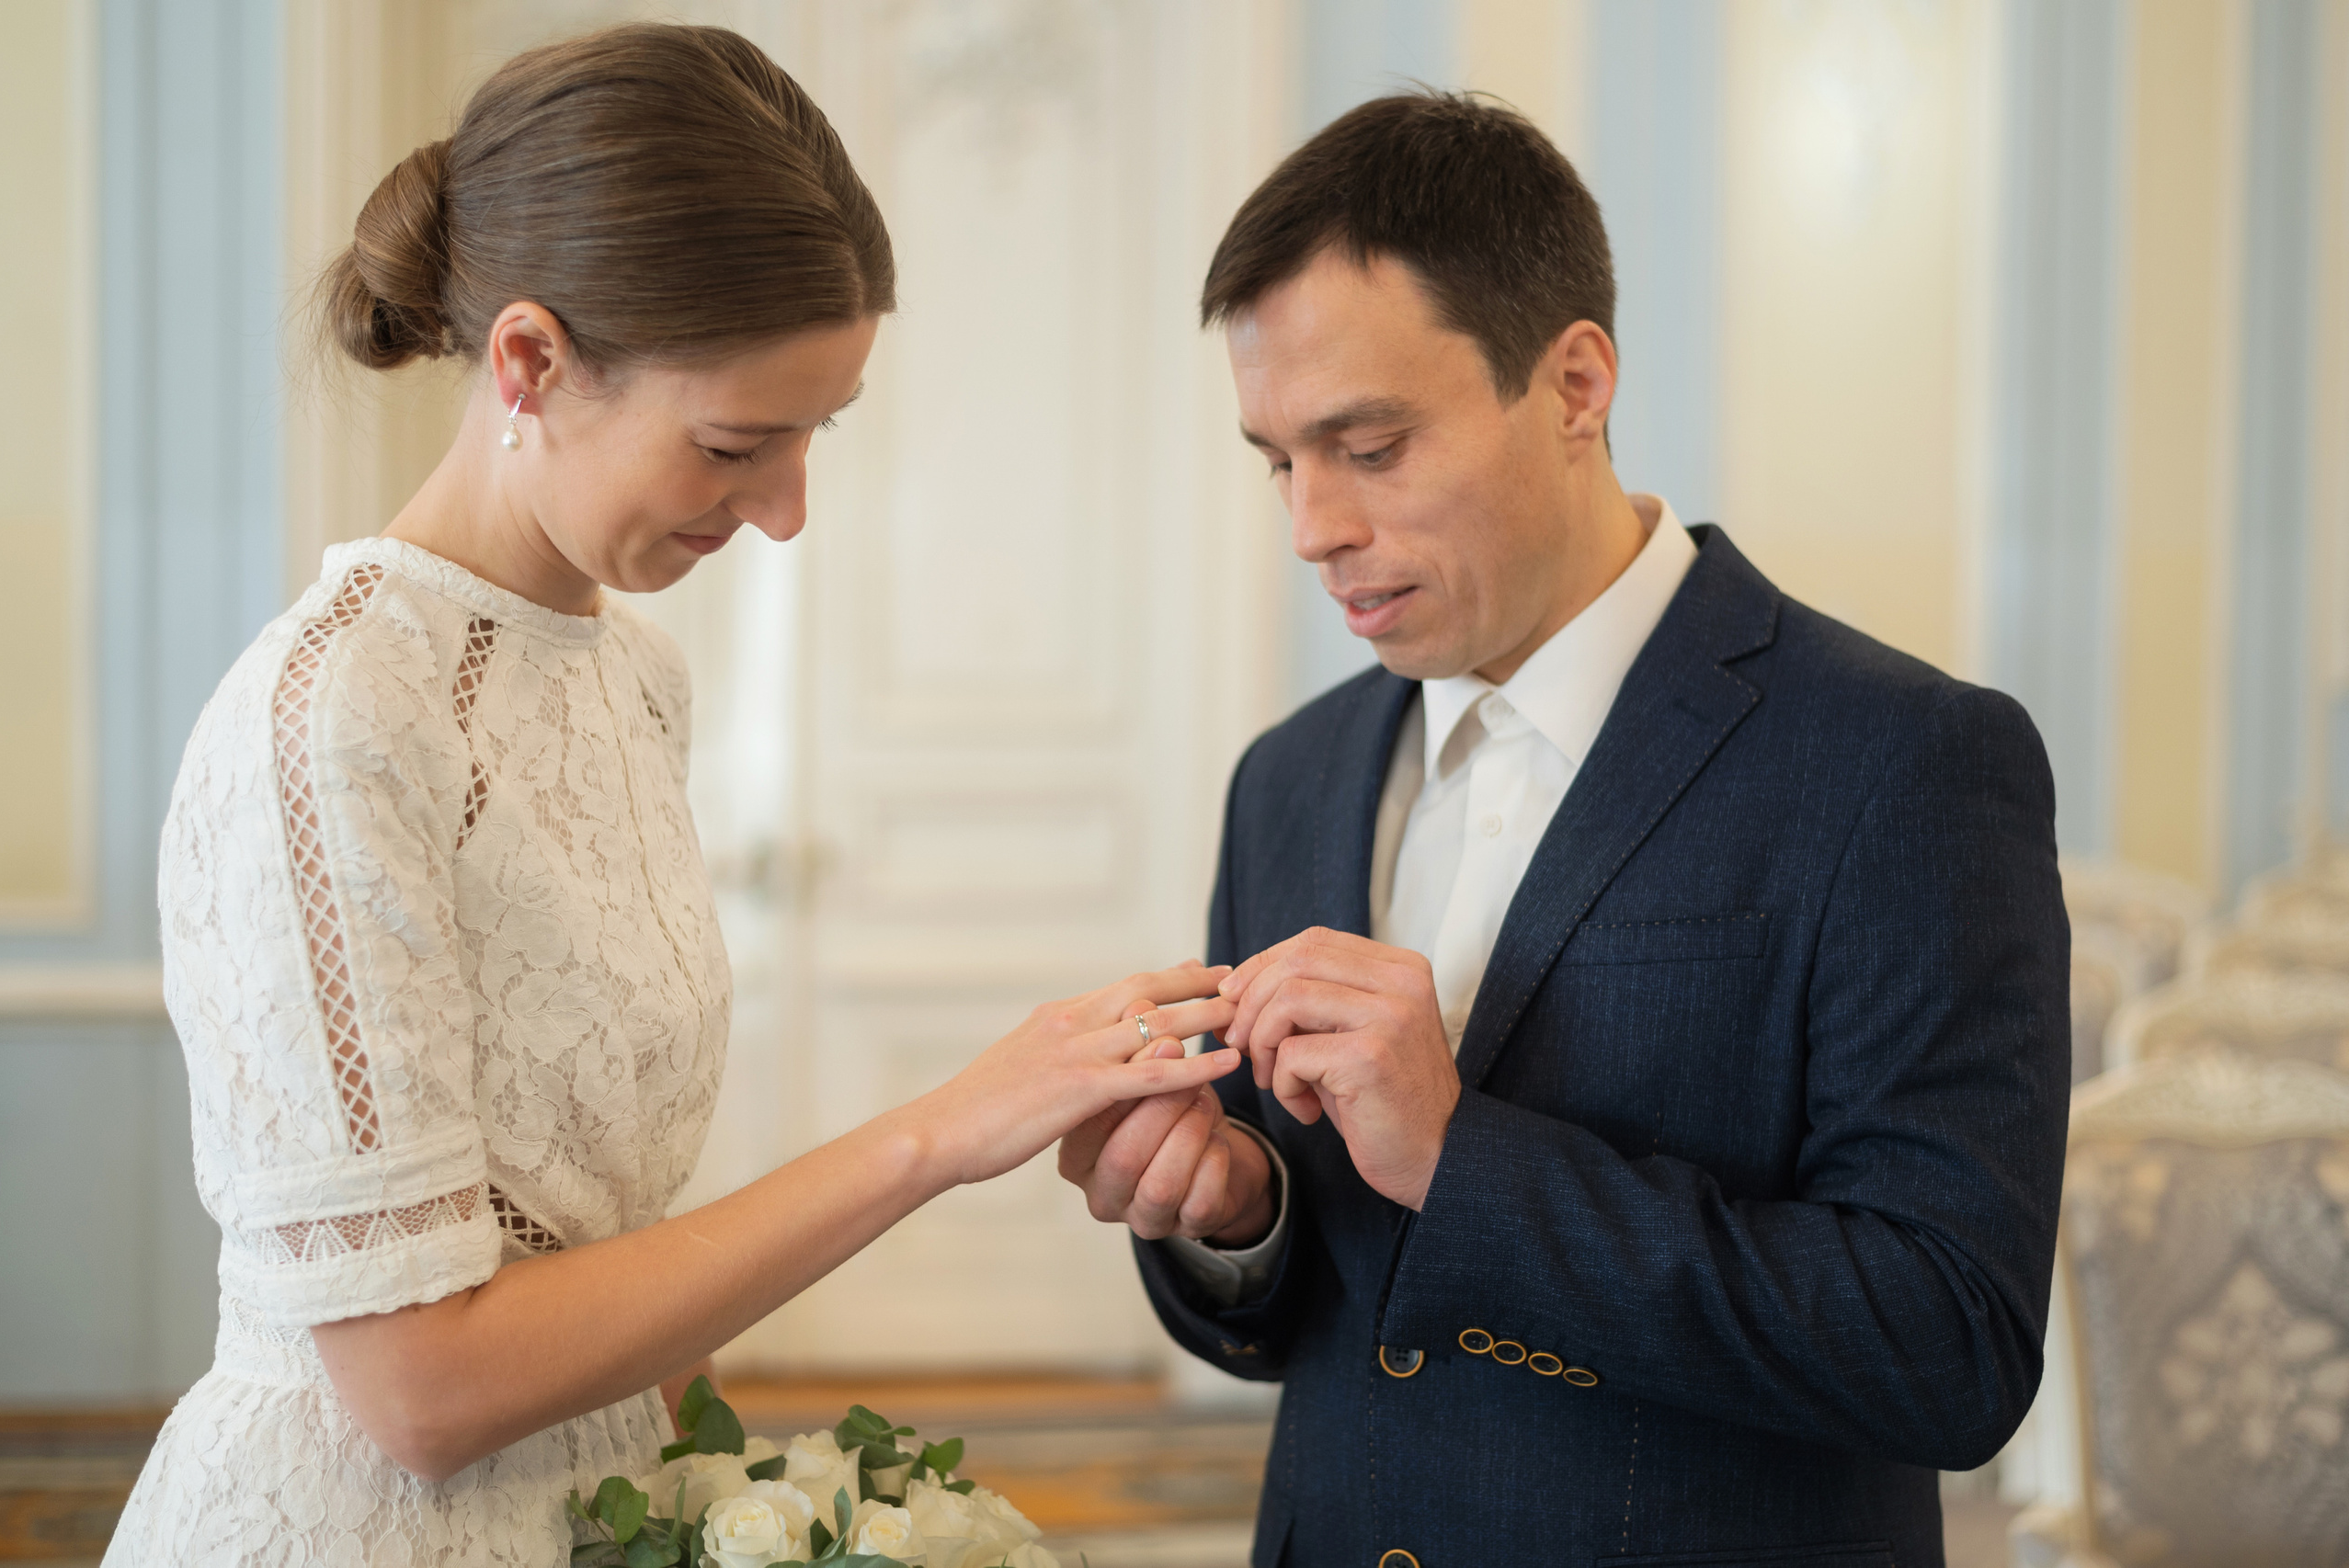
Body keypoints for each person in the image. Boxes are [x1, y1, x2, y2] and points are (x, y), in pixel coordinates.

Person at [104, 25, 1241, 1566]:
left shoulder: (630, 672)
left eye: (813, 434)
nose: (783, 511)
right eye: (733, 443)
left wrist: (736, 1509)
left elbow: (607, 1231)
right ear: (528, 361)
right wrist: (936, 1134)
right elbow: (421, 1388)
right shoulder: (334, 717)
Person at [1059, 92, 2070, 1567]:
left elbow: (1949, 1343)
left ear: (1576, 384)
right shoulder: (1288, 776)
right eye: (1279, 458)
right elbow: (1312, 1327)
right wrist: (1234, 1210)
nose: (1311, 527)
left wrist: (1467, 1156)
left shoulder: (1905, 758)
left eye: (1373, 444)